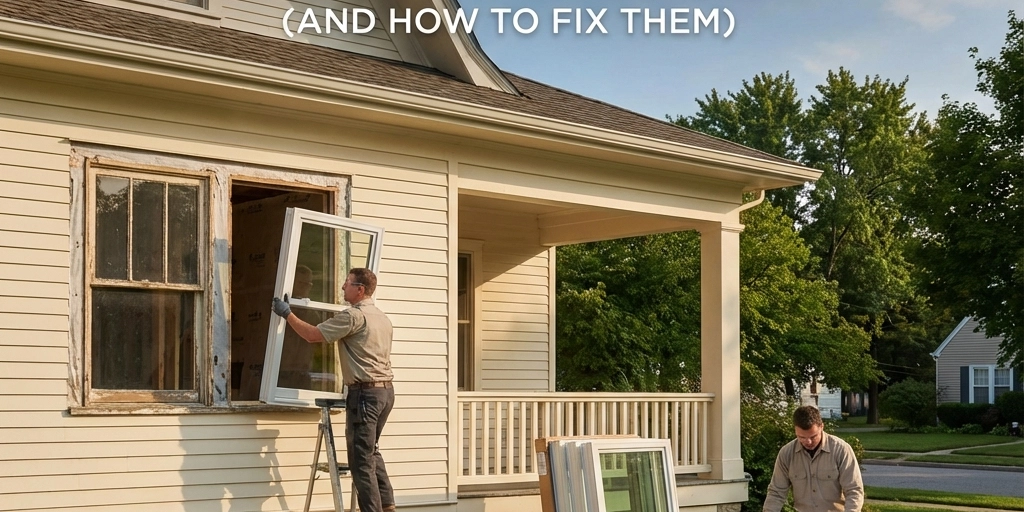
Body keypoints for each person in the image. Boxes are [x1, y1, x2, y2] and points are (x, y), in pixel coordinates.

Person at [272, 268, 395, 512]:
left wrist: (287, 314)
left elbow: (312, 335)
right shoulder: (382, 317)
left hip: (365, 396)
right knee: (371, 452)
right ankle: (388, 506)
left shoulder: (353, 317)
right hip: (385, 393)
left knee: (360, 462)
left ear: (360, 289)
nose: (342, 287)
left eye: (347, 283)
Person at [763, 405, 864, 512]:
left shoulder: (841, 450)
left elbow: (854, 491)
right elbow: (776, 493)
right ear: (795, 430)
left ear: (821, 427)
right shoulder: (786, 453)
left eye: (813, 436)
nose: (808, 442)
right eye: (801, 437)